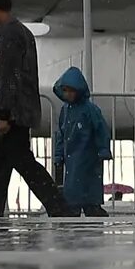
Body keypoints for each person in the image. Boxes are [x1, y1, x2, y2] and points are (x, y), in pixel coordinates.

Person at [0, 0, 65, 216]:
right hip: (16, 108)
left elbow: (9, 78)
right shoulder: (15, 32)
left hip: (12, 111)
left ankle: (59, 207)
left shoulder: (9, 35)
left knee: (18, 162)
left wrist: (4, 114)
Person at [51, 66, 111, 217]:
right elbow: (61, 134)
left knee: (87, 188)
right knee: (74, 190)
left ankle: (92, 208)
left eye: (71, 91)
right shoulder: (66, 110)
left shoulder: (89, 110)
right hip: (72, 157)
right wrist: (58, 155)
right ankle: (79, 209)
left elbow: (100, 129)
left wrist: (103, 149)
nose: (68, 94)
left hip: (88, 156)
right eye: (66, 91)